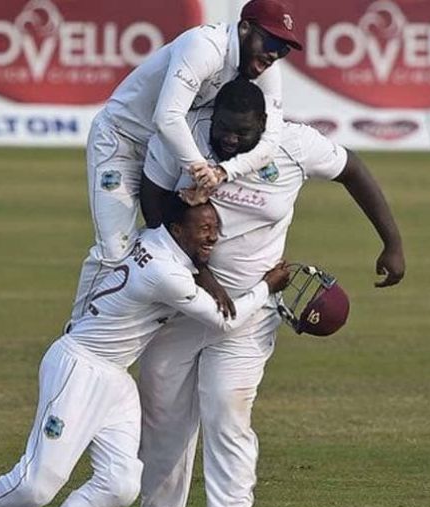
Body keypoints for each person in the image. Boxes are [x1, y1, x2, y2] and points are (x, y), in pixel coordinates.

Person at [132, 77, 405, 507]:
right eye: (223, 131)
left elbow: (354, 171)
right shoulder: (185, 133)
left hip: (250, 317)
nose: (229, 141)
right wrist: (200, 273)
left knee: (227, 419)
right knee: (164, 421)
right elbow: (152, 203)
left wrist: (392, 242)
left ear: (264, 125)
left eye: (242, 133)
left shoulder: (294, 143)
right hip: (179, 307)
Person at [0, 197, 291, 507]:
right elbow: (223, 323)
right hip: (78, 366)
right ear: (177, 230)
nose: (214, 237)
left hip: (115, 377)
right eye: (204, 229)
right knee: (37, 484)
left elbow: (195, 268)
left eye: (216, 228)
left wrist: (207, 270)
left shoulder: (158, 242)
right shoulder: (164, 272)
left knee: (121, 484)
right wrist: (267, 288)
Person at [71, 0, 302, 322]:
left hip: (173, 153)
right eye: (272, 42)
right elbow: (167, 118)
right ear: (245, 27)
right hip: (123, 142)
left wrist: (223, 171)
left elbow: (270, 140)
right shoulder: (204, 46)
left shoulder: (265, 69)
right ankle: (80, 336)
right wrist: (200, 167)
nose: (275, 54)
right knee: (115, 252)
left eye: (285, 49)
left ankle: (124, 337)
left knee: (167, 248)